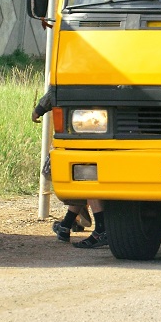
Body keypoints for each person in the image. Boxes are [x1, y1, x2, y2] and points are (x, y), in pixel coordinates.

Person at [32, 91, 108, 249]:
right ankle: (66, 225)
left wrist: (38, 109)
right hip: (104, 128)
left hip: (78, 130)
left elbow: (57, 90)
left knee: (85, 177)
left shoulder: (77, 69)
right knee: (83, 178)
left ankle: (100, 228)